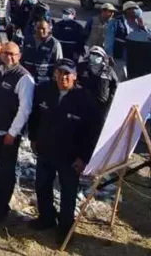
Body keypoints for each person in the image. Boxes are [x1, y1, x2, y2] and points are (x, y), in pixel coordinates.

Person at [28, 60, 101, 241]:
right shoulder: (44, 90)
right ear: (55, 74)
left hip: (70, 156)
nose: (63, 77)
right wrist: (33, 138)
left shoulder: (85, 99)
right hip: (45, 149)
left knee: (68, 193)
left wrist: (84, 157)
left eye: (67, 74)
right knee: (42, 186)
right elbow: (34, 115)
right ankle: (46, 218)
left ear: (75, 76)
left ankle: (65, 228)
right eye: (60, 73)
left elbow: (92, 132)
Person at [0, 41, 35, 225]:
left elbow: (25, 109)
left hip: (8, 134)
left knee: (6, 171)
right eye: (6, 53)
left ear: (19, 55)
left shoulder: (24, 78)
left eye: (13, 54)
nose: (9, 57)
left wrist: (12, 133)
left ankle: (1, 208)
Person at [76, 46, 119, 112]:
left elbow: (115, 86)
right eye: (93, 54)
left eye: (98, 55)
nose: (95, 56)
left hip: (102, 105)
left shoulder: (108, 71)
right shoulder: (82, 67)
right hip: (83, 102)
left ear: (103, 58)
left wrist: (111, 102)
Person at [22, 20, 63, 84]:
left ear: (49, 29)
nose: (40, 31)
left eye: (43, 29)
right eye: (38, 28)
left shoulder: (55, 44)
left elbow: (59, 63)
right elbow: (21, 58)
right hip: (27, 78)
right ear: (35, 28)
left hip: (44, 81)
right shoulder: (28, 40)